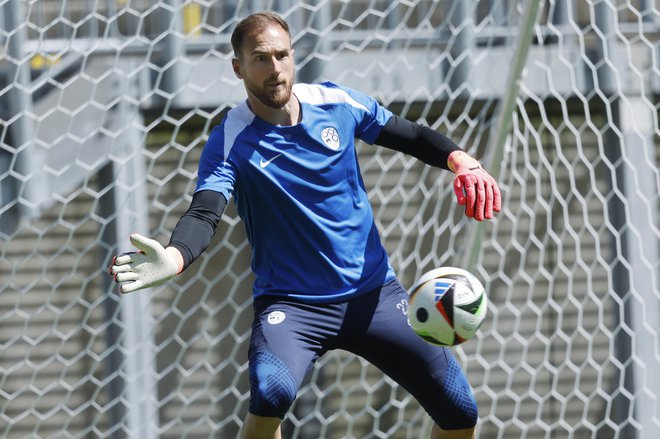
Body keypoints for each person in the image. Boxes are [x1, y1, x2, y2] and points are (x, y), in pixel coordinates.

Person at [110, 11, 501, 439]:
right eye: (260, 59)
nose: (274, 69)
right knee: (270, 393)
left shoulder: (336, 103)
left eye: (282, 56)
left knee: (460, 409)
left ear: (294, 57)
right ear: (238, 67)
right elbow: (205, 212)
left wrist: (461, 160)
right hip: (293, 307)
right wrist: (174, 255)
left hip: (373, 296)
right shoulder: (230, 138)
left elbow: (410, 135)